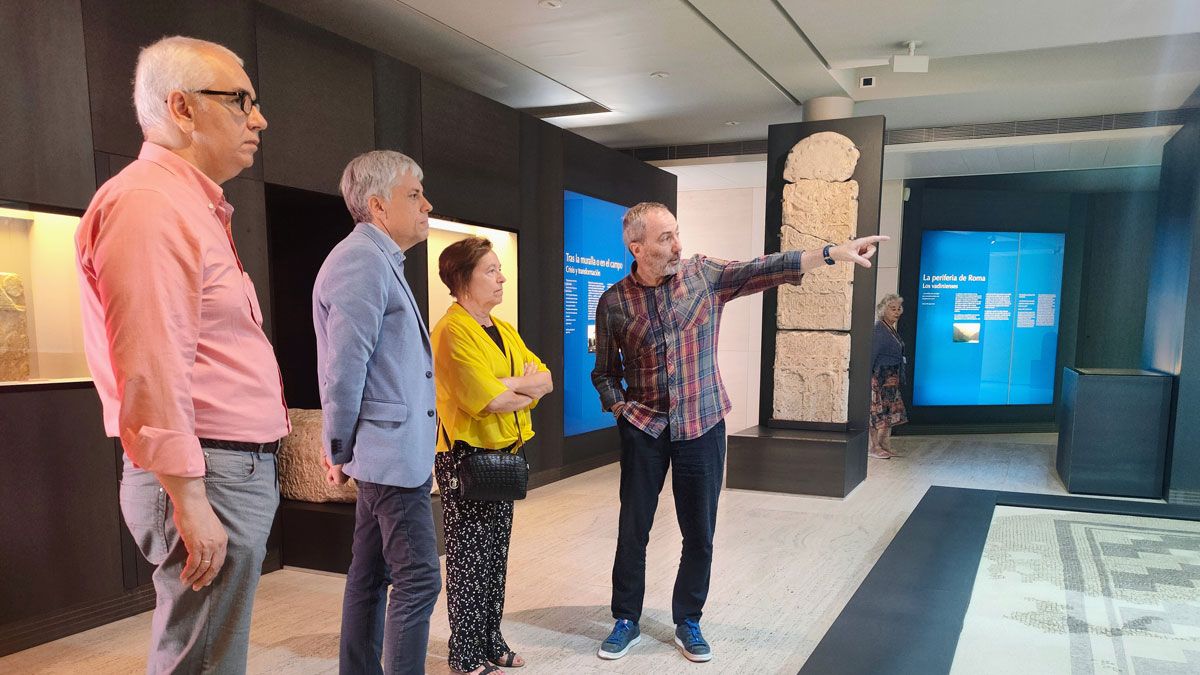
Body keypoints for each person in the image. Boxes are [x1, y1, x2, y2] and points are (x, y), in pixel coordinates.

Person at [591, 202, 886, 663]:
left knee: (699, 533)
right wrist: (620, 410)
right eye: (665, 237)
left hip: (703, 423)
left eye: (677, 233)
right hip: (645, 430)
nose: (678, 244)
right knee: (634, 530)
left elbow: (763, 268)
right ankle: (625, 617)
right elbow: (605, 372)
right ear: (637, 247)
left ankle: (688, 619)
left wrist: (829, 253)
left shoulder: (702, 275)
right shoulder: (613, 303)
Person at [75, 36, 287, 673]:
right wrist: (190, 501)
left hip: (220, 470)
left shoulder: (185, 203)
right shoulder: (149, 203)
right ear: (182, 109)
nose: (259, 119)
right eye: (241, 101)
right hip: (206, 475)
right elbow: (150, 363)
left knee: (209, 653)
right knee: (201, 661)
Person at [313, 150, 442, 675]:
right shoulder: (361, 260)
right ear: (377, 206)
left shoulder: (377, 258)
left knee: (369, 576)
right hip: (388, 455)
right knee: (419, 579)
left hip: (389, 452)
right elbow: (344, 368)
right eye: (414, 194)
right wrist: (336, 448)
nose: (427, 204)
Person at [430, 236, 553, 674]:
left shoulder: (502, 329)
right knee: (467, 558)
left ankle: (491, 639)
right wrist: (517, 387)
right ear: (463, 280)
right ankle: (464, 653)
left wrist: (513, 386)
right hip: (467, 459)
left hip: (502, 455)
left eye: (499, 270)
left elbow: (545, 379)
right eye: (490, 270)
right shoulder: (450, 331)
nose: (501, 278)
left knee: (495, 557)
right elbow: (487, 400)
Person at [870, 294, 908, 459]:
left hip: (890, 378)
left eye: (899, 308)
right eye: (892, 309)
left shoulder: (890, 328)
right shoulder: (879, 329)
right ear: (882, 310)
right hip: (879, 377)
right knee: (875, 413)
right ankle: (874, 447)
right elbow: (872, 355)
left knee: (888, 413)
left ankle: (884, 444)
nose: (897, 312)